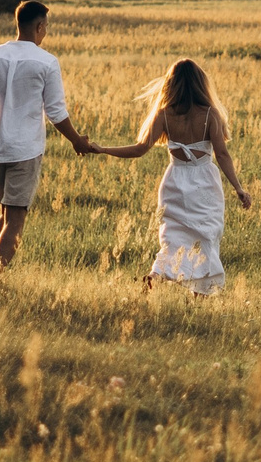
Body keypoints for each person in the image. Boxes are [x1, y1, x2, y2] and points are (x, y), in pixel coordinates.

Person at [0, 0, 101, 267]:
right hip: (25, 149)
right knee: (16, 219)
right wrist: (77, 141)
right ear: (40, 27)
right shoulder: (46, 61)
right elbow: (56, 112)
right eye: (46, 27)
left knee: (5, 214)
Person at [91, 57, 250, 294]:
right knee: (205, 238)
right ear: (200, 83)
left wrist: (104, 149)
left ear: (171, 84)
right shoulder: (210, 115)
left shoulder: (164, 115)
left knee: (173, 239)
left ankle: (157, 275)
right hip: (204, 183)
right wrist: (238, 188)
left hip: (175, 181)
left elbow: (139, 149)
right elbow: (222, 154)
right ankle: (200, 294)